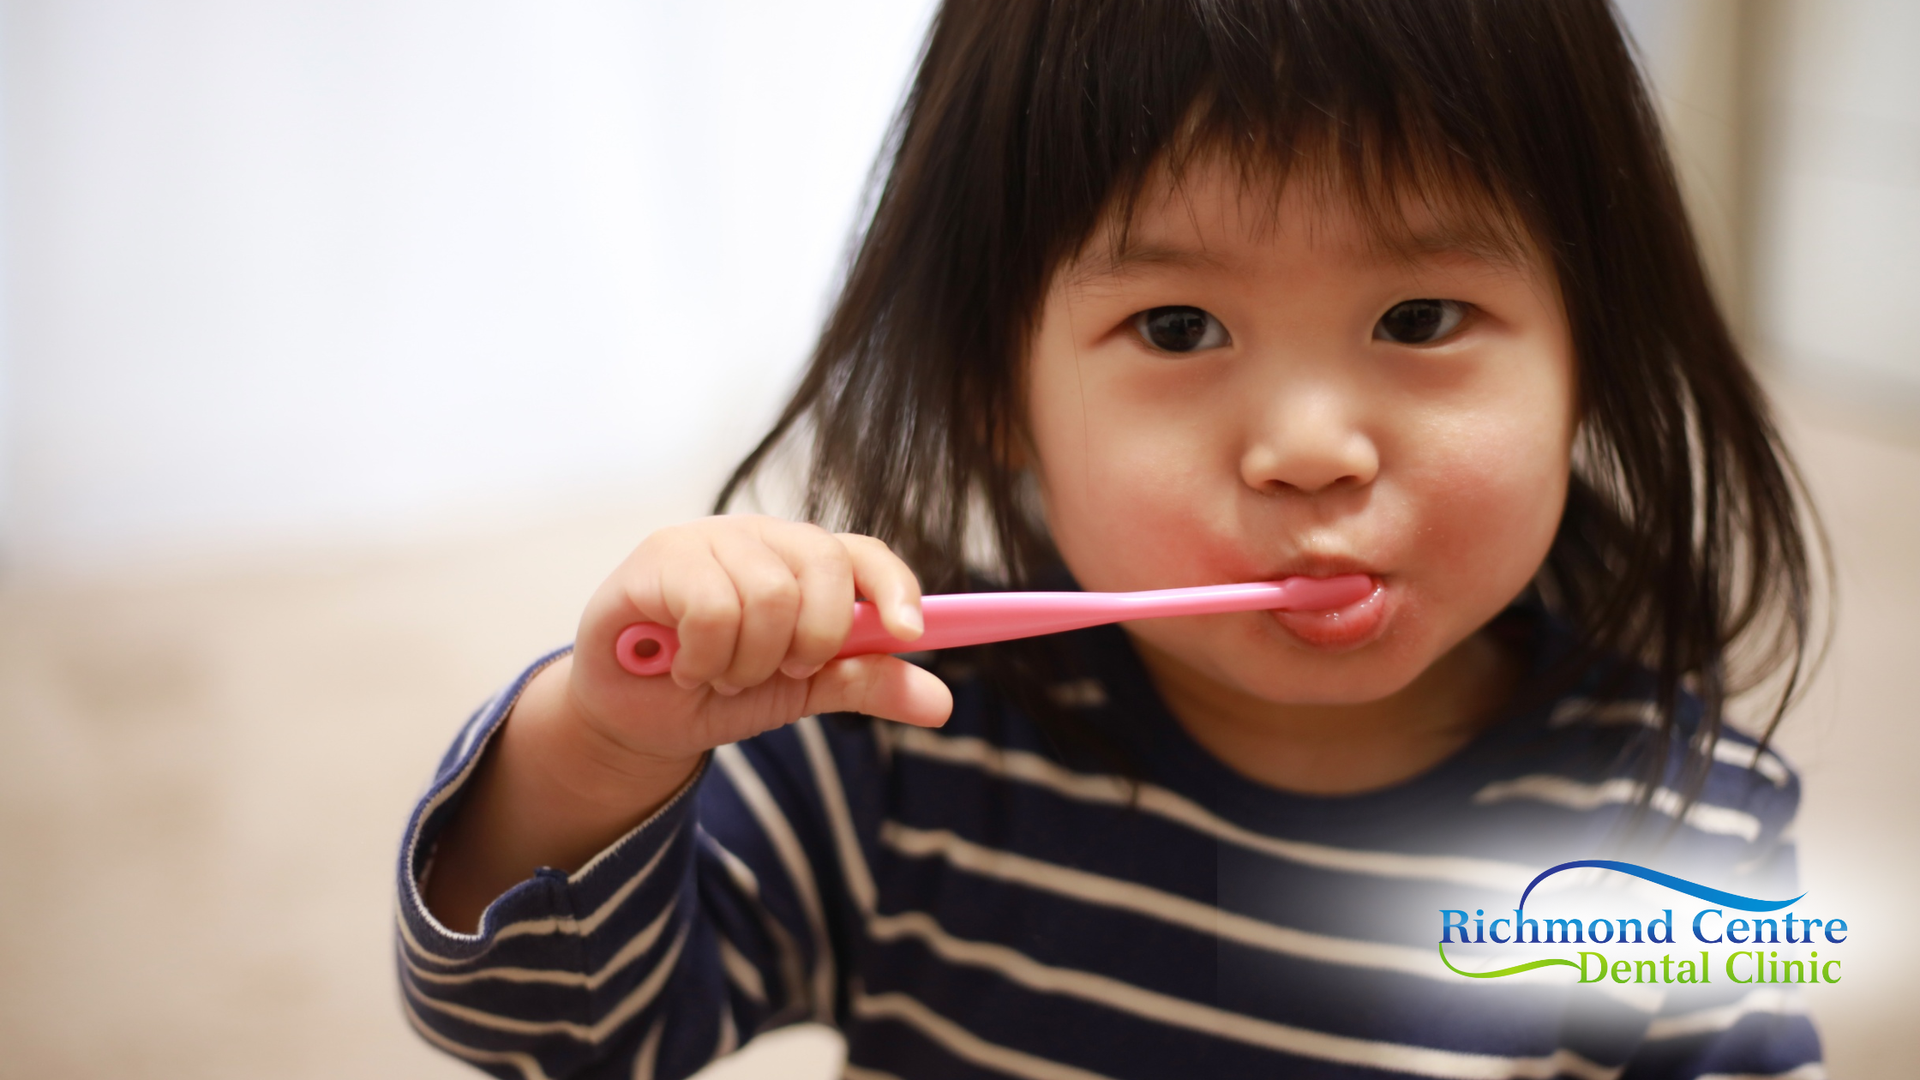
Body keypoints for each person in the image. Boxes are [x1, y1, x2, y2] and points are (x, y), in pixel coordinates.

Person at [396, 1, 1829, 1077]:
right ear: (993, 390)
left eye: (1420, 319)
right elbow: (549, 1032)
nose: (1311, 447)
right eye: (1177, 327)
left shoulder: (1680, 835)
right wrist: (605, 742)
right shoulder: (899, 745)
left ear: (1591, 354)